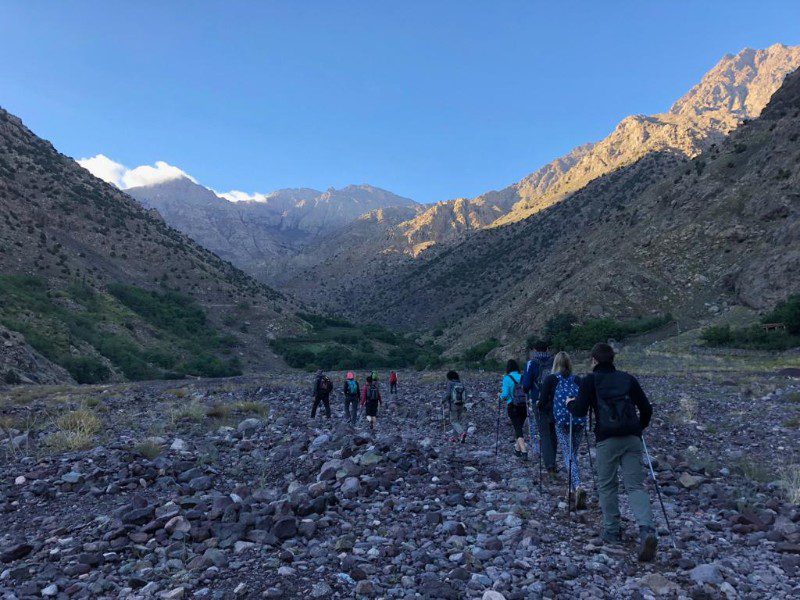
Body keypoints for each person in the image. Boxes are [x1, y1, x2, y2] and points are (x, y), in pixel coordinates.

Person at [567, 342, 657, 562]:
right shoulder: (628, 379)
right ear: (613, 359)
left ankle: (612, 531)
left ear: (594, 360)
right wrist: (639, 429)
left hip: (607, 439)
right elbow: (646, 409)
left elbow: (579, 410)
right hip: (632, 438)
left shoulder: (590, 380)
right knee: (635, 485)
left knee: (607, 485)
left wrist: (570, 403)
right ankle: (646, 529)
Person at [540, 351, 587, 509]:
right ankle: (572, 489)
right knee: (572, 454)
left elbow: (542, 402)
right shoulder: (578, 379)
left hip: (561, 422)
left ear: (556, 363)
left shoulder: (551, 379)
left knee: (568, 455)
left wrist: (549, 411)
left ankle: (578, 486)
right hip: (578, 421)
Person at [522, 341, 556, 474]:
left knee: (544, 432)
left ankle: (550, 465)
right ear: (548, 348)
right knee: (553, 431)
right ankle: (553, 461)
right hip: (554, 401)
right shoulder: (554, 361)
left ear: (535, 349)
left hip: (538, 401)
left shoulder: (532, 363)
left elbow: (526, 385)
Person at [500, 359, 528, 459]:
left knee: (518, 428)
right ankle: (517, 449)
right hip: (524, 406)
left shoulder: (507, 378)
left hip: (513, 406)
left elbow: (505, 395)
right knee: (519, 427)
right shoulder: (523, 377)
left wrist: (500, 397)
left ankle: (524, 451)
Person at [443, 370, 467, 443]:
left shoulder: (450, 383)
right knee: (457, 421)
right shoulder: (460, 383)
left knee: (453, 421)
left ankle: (462, 433)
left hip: (453, 404)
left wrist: (443, 401)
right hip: (461, 404)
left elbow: (448, 394)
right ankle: (455, 438)